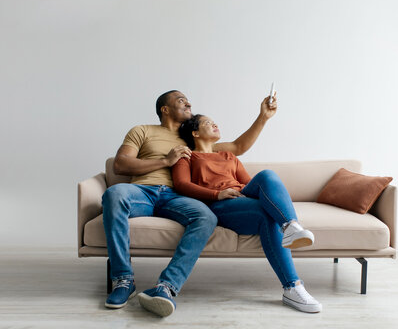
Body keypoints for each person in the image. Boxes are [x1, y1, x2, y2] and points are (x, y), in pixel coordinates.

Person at [102, 90, 276, 317]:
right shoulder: (142, 131)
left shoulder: (193, 139)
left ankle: (166, 287)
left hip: (177, 197)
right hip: (142, 191)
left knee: (206, 217)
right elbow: (121, 165)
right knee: (114, 193)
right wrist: (166, 160)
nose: (189, 103)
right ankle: (124, 280)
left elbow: (238, 146)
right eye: (181, 100)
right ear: (165, 109)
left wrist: (263, 117)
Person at [172, 114, 322, 313]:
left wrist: (245, 193)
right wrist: (218, 194)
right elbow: (182, 185)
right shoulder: (187, 156)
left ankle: (290, 226)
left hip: (241, 196)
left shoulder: (229, 156)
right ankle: (293, 286)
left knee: (267, 175)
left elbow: (250, 183)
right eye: (208, 122)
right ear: (195, 132)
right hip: (218, 204)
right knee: (266, 215)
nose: (215, 123)